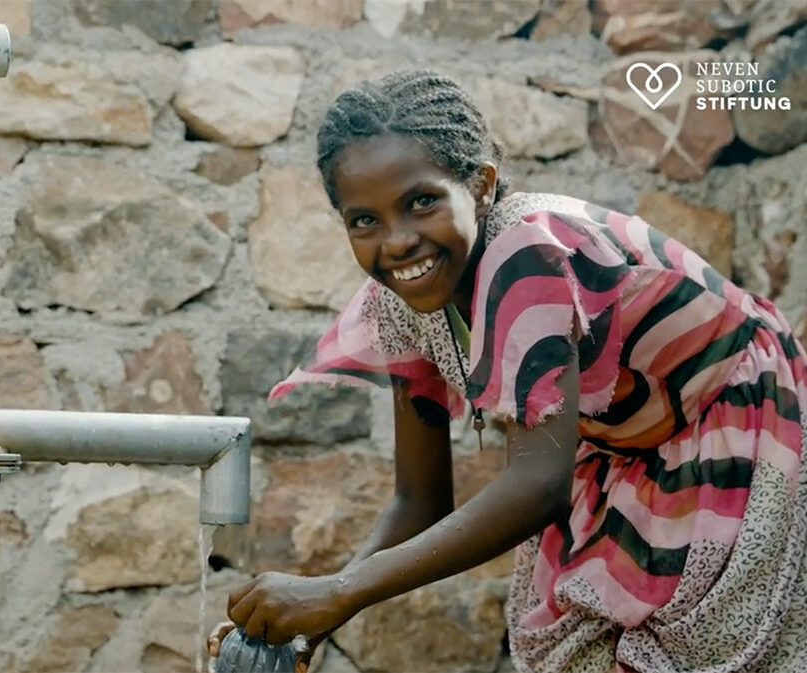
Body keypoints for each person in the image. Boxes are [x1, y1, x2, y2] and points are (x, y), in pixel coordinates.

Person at [206, 69, 807, 673]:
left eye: (422, 202)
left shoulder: (526, 251)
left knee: (702, 642)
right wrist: (325, 609)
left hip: (731, 420)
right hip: (624, 449)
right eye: (365, 220)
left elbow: (539, 485)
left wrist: (336, 593)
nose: (397, 242)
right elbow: (421, 498)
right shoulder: (402, 302)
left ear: (483, 185)